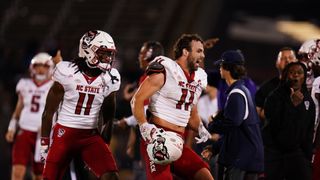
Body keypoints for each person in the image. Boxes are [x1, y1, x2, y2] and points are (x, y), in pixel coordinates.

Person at [131, 34, 213, 180]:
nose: (203, 55)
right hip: (158, 137)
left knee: (205, 176)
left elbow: (191, 110)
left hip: (178, 141)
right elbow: (137, 100)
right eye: (199, 51)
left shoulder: (199, 77)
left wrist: (200, 127)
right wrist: (144, 126)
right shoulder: (166, 69)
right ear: (185, 52)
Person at [41, 30, 120, 180]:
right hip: (64, 134)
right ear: (88, 50)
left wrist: (104, 147)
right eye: (103, 53)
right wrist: (44, 145)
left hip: (90, 136)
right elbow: (48, 112)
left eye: (110, 54)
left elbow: (109, 116)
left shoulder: (111, 78)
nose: (108, 58)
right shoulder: (67, 72)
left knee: (111, 176)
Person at [207, 50, 264, 180]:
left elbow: (231, 124)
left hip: (241, 158)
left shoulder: (237, 93)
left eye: (221, 65)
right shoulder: (240, 90)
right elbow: (236, 130)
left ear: (227, 68)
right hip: (246, 156)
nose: (220, 68)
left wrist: (212, 125)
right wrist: (215, 148)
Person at [116, 41, 165, 180]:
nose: (139, 57)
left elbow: (148, 110)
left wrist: (127, 121)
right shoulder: (147, 77)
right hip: (146, 135)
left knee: (146, 173)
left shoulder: (154, 77)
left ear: (148, 55)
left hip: (154, 136)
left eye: (141, 54)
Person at [5, 52, 54, 180]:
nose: (40, 69)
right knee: (17, 172)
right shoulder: (24, 84)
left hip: (42, 134)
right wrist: (11, 127)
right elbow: (18, 109)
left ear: (50, 68)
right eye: (37, 65)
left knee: (39, 175)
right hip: (24, 130)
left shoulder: (54, 86)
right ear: (32, 67)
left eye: (44, 66)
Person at [263, 61, 315, 180]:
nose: (295, 75)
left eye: (299, 73)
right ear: (286, 76)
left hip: (297, 154)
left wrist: (307, 158)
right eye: (292, 72)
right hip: (276, 154)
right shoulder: (274, 98)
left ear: (304, 77)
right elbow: (275, 126)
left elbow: (308, 132)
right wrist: (293, 106)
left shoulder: (308, 101)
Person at [255, 47, 297, 121]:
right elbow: (256, 114)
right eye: (283, 58)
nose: (287, 60)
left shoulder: (306, 87)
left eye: (290, 58)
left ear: (296, 62)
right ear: (277, 63)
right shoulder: (266, 88)